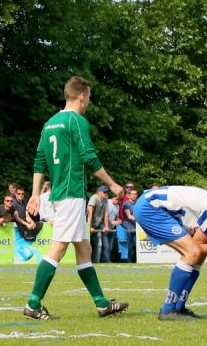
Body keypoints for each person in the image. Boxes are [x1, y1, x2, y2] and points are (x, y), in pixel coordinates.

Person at [23, 76, 128, 320]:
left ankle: (102, 303)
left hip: (59, 194)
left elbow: (39, 160)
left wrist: (36, 194)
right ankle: (33, 303)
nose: (88, 101)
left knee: (84, 248)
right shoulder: (76, 120)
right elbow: (89, 156)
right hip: (71, 194)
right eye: (88, 96)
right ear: (82, 96)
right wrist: (112, 184)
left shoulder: (50, 123)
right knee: (57, 249)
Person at [133, 186, 207, 321]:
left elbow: (204, 244)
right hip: (150, 207)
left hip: (153, 204)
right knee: (193, 252)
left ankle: (179, 307)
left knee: (198, 256)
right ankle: (167, 310)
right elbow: (198, 246)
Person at [87, 185, 111, 263]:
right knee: (86, 245)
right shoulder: (94, 198)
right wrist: (89, 227)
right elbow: (89, 213)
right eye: (104, 192)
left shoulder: (105, 199)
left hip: (97, 224)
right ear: (99, 192)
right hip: (87, 224)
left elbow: (106, 213)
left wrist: (106, 226)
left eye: (107, 192)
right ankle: (86, 262)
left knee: (99, 245)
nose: (106, 193)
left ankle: (97, 262)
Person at [120, 186, 138, 263]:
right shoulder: (126, 204)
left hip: (136, 228)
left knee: (136, 245)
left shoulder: (138, 203)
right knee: (129, 246)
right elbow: (129, 216)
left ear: (137, 195)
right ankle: (128, 262)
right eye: (132, 194)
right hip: (128, 228)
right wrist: (142, 219)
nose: (134, 195)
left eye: (135, 194)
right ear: (129, 195)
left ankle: (135, 261)